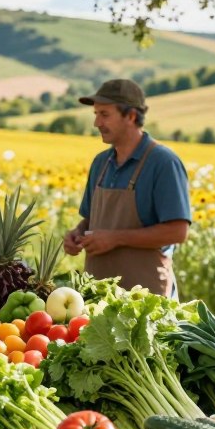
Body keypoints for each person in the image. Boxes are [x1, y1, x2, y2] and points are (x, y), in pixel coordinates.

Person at [63, 79, 191, 296]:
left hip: (147, 300)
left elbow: (178, 231)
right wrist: (77, 234)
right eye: (96, 114)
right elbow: (91, 220)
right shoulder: (100, 163)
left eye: (104, 114)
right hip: (97, 295)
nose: (97, 123)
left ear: (131, 116)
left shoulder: (163, 163)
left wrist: (115, 238)